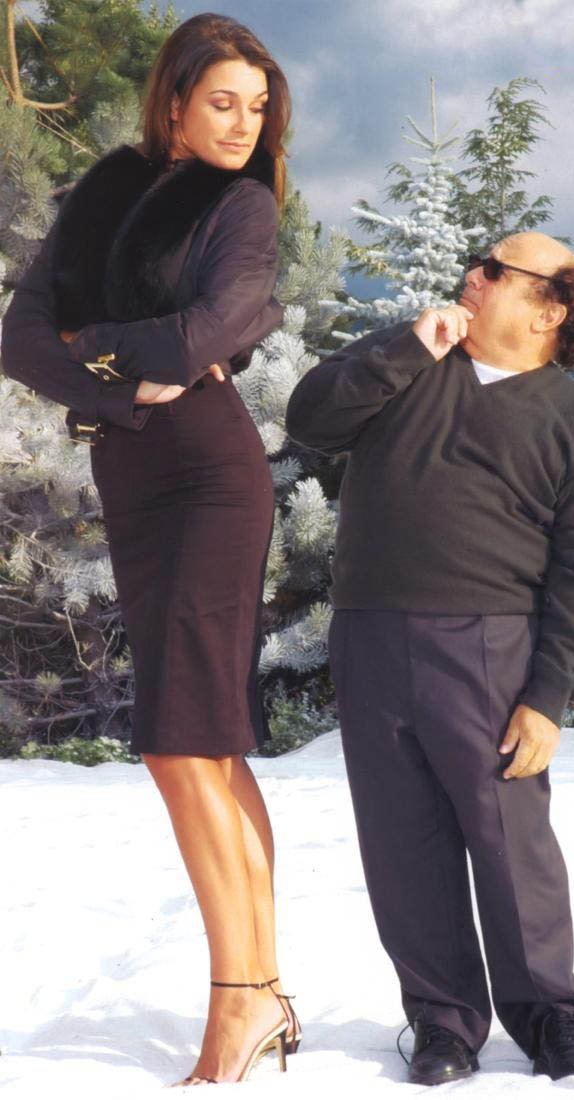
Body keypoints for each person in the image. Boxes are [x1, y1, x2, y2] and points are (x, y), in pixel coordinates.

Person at [2, 12, 301, 1087]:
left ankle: (241, 1001)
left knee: (180, 742)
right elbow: (18, 337)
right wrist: (123, 381)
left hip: (210, 477)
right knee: (205, 743)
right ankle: (265, 988)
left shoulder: (240, 204)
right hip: (135, 471)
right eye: (223, 101)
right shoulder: (105, 192)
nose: (243, 123)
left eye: (257, 107)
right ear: (173, 101)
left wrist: (94, 346)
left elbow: (208, 333)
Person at [286, 233, 574, 1085]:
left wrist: (547, 696)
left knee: (511, 842)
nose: (473, 276)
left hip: (491, 648)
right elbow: (310, 419)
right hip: (370, 637)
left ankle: (554, 1017)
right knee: (401, 843)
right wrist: (404, 348)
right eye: (477, 261)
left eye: (497, 270)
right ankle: (442, 1021)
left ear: (549, 311)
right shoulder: (409, 363)